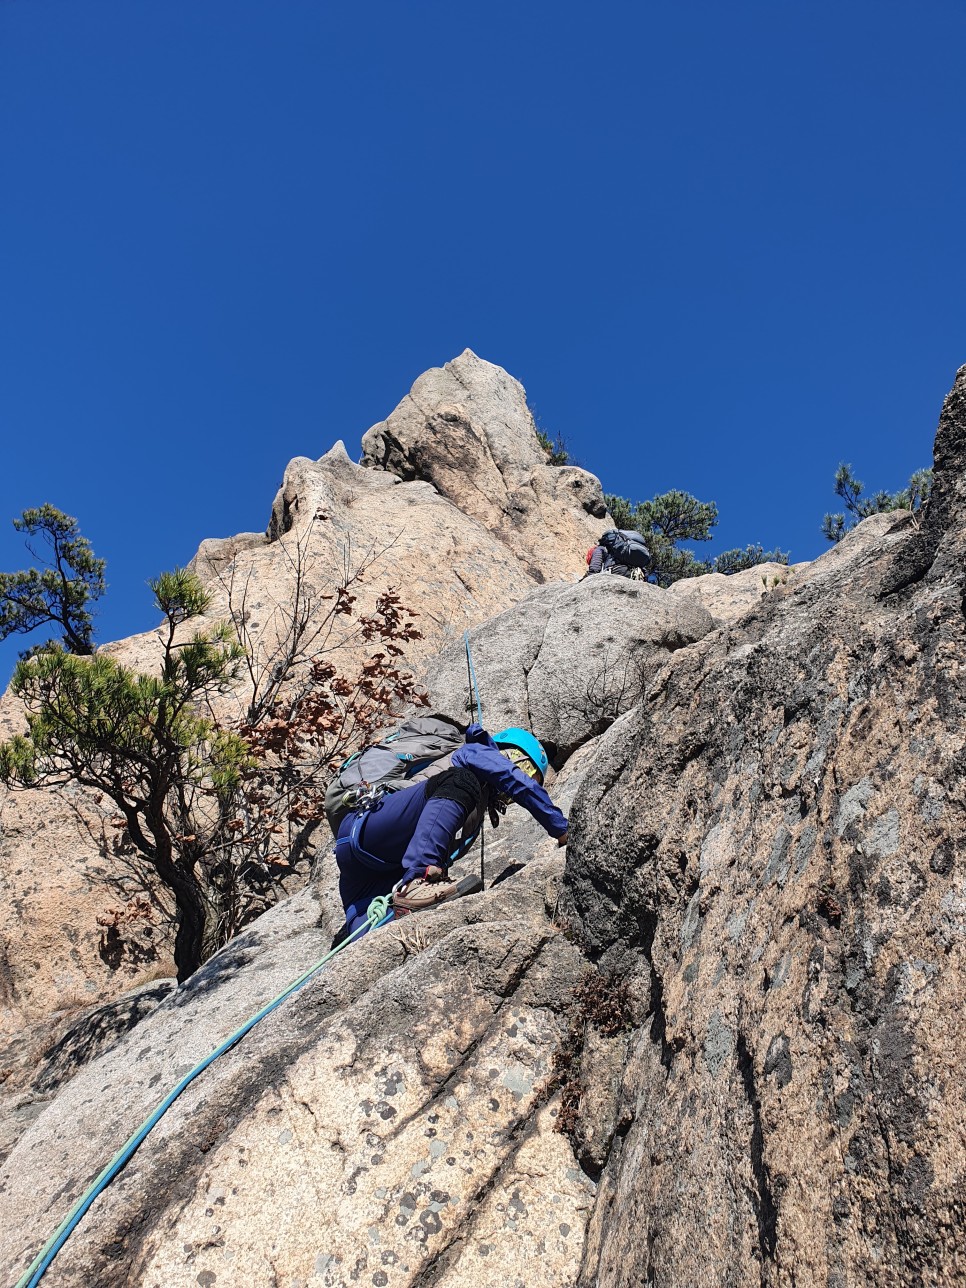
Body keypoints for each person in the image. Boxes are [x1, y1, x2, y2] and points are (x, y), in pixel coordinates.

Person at [333, 724, 568, 940]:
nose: (511, 792)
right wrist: (562, 829)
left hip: (375, 869)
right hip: (368, 829)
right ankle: (418, 879)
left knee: (367, 931)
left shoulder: (472, 812)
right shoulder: (475, 752)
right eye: (527, 771)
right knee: (461, 780)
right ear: (511, 755)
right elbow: (518, 784)